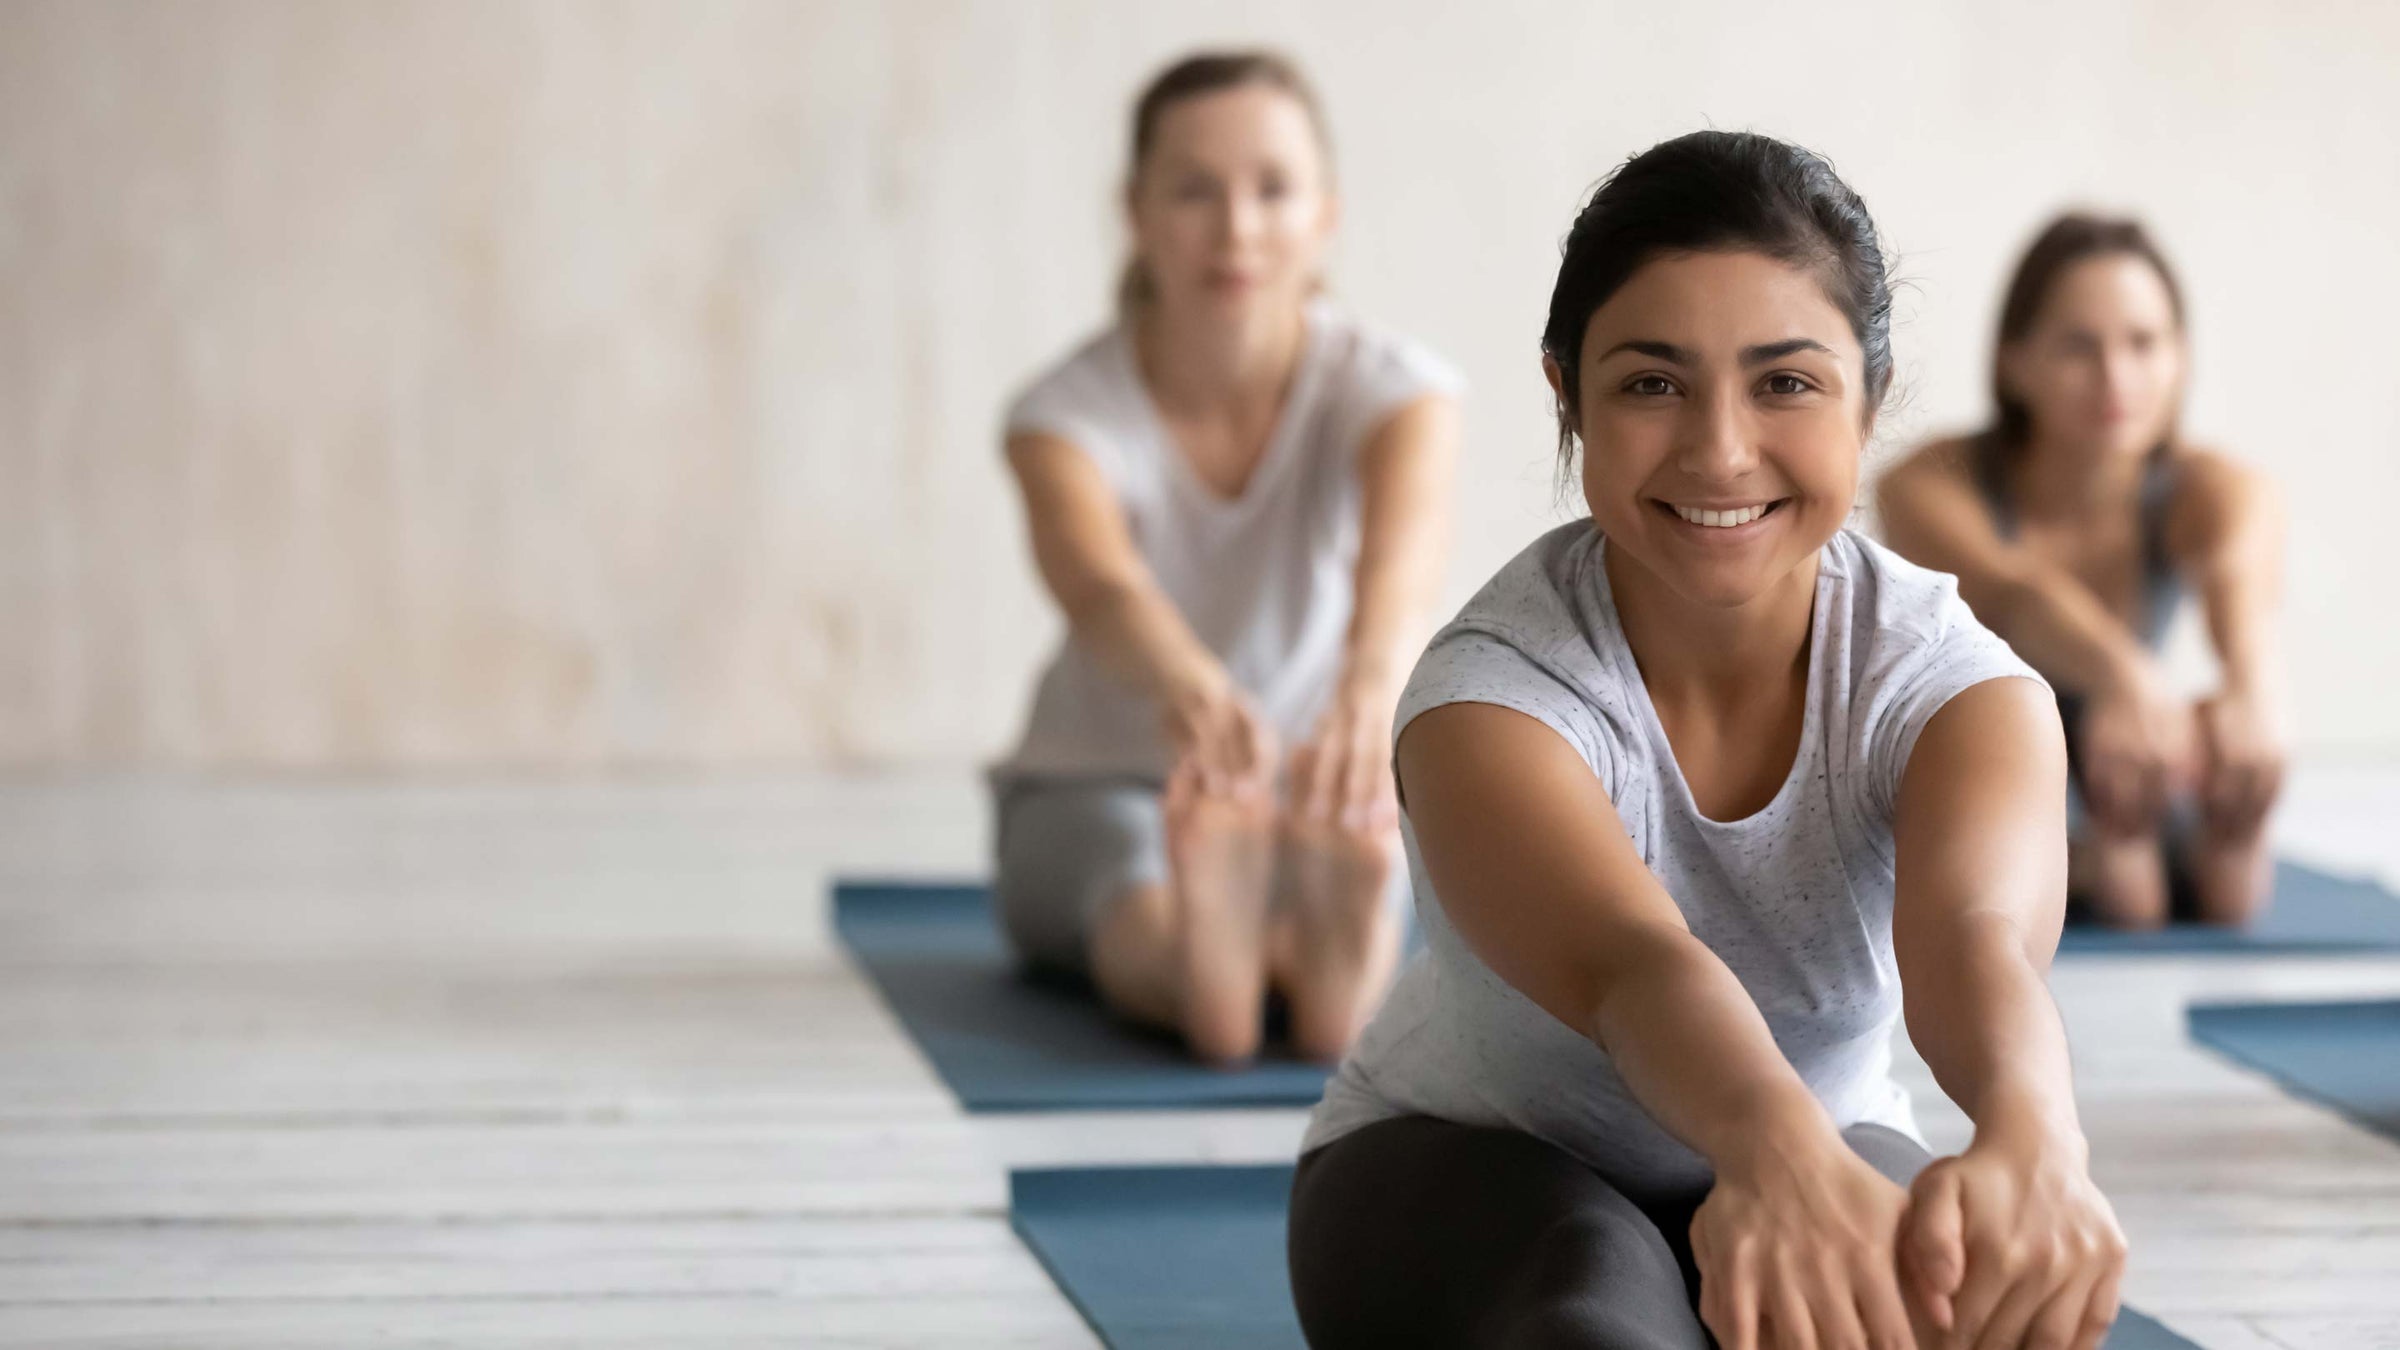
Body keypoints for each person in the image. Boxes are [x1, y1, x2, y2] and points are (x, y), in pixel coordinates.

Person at [1288, 132, 2126, 1350]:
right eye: (1651, 384)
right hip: (1468, 1167)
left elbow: (1973, 940)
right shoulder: (1488, 698)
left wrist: (2039, 1139)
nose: (1721, 450)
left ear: (1868, 404)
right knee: (1594, 1315)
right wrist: (1774, 1153)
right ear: (1566, 394)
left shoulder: (1959, 687)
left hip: (1829, 1135)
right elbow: (1637, 967)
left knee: (1970, 1305)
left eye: (1786, 383)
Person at [990, 51, 1463, 1065]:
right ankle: (1222, 970)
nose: (1237, 227)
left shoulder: (1398, 393)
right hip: (1101, 783)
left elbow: (1401, 567)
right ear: (1137, 210)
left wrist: (1369, 695)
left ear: (1324, 214)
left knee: (1380, 842)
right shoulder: (1061, 416)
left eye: (1273, 189)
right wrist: (1189, 686)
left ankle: (1289, 964)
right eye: (1195, 190)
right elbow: (1100, 583)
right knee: (1128, 875)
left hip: (1317, 788)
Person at [1878, 215, 2285, 930]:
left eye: (2143, 344)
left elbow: (2234, 571)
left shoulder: (2210, 488)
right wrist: (2125, 675)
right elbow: (2010, 590)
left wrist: (2248, 695)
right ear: (2013, 362)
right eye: (2078, 346)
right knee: (2124, 890)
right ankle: (2104, 859)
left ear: (2180, 358)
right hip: (1980, 753)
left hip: (2130, 756)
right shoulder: (1928, 482)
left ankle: (2194, 836)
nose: (2115, 378)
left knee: (2226, 881)